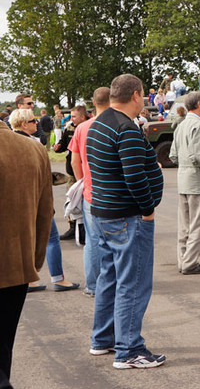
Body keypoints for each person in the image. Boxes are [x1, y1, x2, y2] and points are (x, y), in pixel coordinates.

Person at [86, 73, 165, 369]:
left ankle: (102, 339)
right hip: (127, 216)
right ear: (135, 95)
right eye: (142, 94)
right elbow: (134, 176)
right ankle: (129, 350)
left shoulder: (99, 124)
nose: (143, 98)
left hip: (104, 213)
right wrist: (148, 209)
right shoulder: (125, 129)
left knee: (110, 278)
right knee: (133, 283)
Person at [0, 119, 53, 389]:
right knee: (4, 343)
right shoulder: (33, 149)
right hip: (17, 267)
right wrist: (34, 260)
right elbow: (46, 214)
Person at [9, 109, 80, 293]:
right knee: (52, 238)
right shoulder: (34, 145)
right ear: (24, 124)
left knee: (24, 240)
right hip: (35, 200)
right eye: (33, 121)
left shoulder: (8, 144)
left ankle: (29, 280)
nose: (37, 124)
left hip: (16, 202)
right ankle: (58, 278)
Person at [69, 87, 111, 297]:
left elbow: (74, 160)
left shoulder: (82, 128)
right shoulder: (115, 124)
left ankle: (93, 285)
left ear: (93, 104)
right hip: (112, 192)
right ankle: (113, 282)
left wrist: (82, 181)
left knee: (92, 241)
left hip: (90, 192)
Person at [169, 92, 200, 275]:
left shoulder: (181, 125)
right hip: (198, 180)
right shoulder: (199, 125)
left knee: (185, 225)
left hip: (183, 180)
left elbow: (173, 155)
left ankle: (183, 260)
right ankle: (190, 263)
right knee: (198, 224)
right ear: (198, 104)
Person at [54, 105, 88, 240]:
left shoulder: (90, 127)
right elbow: (63, 145)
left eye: (74, 116)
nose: (71, 119)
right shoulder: (69, 127)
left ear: (83, 117)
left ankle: (86, 229)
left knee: (86, 203)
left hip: (85, 171)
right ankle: (73, 228)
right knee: (72, 201)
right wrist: (58, 148)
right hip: (72, 172)